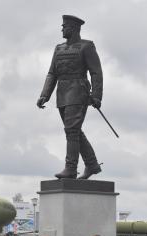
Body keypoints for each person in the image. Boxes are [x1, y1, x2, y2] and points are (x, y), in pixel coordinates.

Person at [36, 15, 103, 179]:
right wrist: (45, 95)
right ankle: (92, 165)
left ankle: (71, 168)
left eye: (64, 26)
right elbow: (52, 73)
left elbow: (96, 72)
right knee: (74, 131)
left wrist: (96, 96)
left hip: (78, 91)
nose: (62, 29)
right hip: (62, 93)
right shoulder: (58, 49)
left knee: (71, 131)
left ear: (73, 28)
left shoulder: (87, 46)